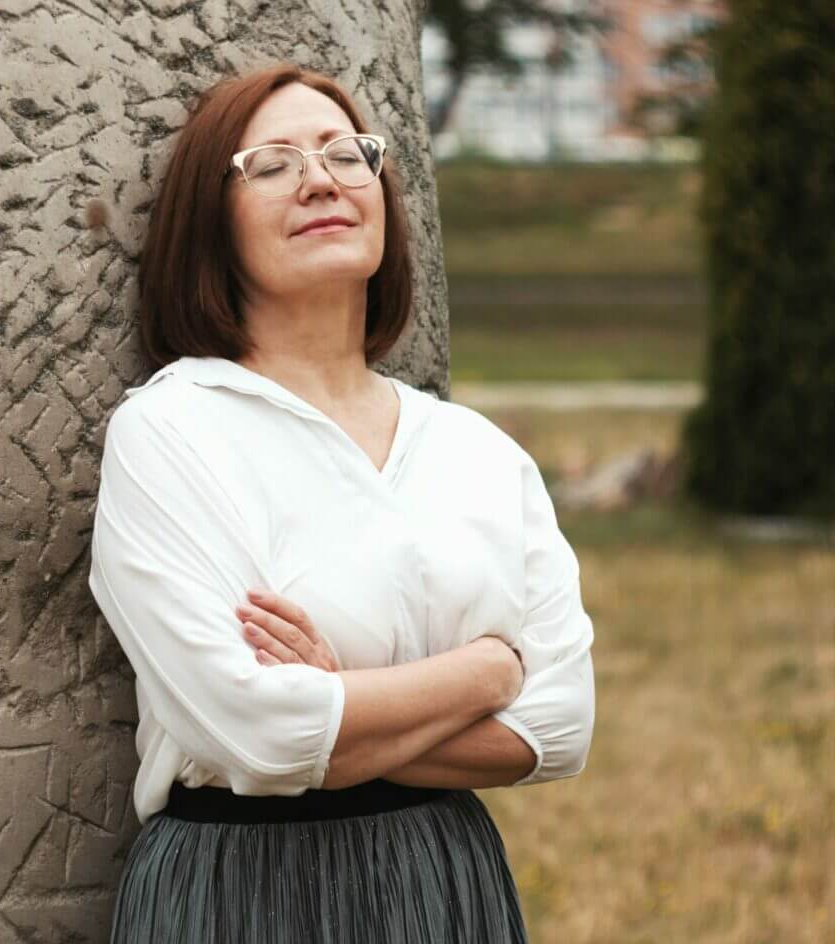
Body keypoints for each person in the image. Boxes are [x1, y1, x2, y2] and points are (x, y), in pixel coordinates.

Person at [87, 61, 596, 944]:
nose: (321, 177)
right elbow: (255, 730)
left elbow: (560, 727)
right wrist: (484, 673)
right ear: (212, 224)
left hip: (444, 882)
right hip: (237, 890)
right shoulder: (171, 432)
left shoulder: (477, 451)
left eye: (346, 154)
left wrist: (340, 702)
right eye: (273, 163)